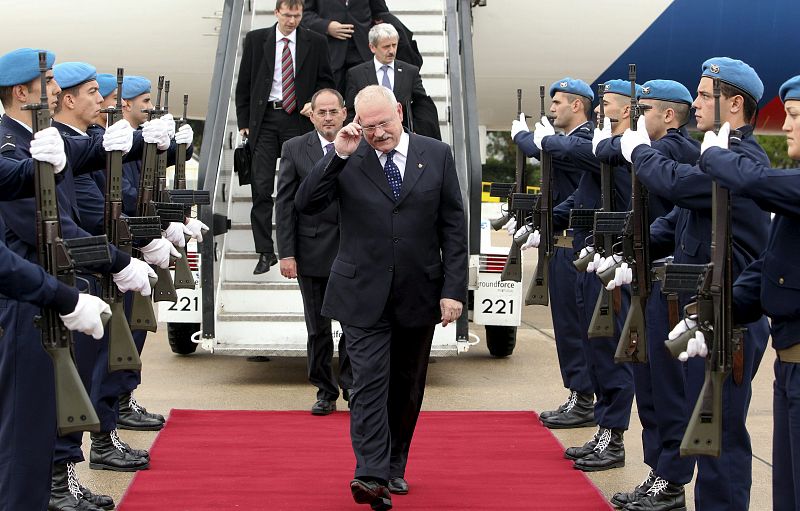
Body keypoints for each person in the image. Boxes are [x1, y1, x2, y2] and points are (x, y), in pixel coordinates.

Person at [295, 85, 467, 510]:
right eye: (368, 126)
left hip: (419, 292)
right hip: (361, 293)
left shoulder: (437, 155)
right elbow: (306, 203)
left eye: (384, 124)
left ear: (400, 114)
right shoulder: (348, 156)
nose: (377, 134)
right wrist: (336, 154)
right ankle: (369, 474)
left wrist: (452, 290)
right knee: (368, 382)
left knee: (407, 387)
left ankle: (394, 464)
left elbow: (453, 227)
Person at [0, 47, 155, 511]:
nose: (54, 93)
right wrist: (118, 262)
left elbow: (89, 151)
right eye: (46, 86)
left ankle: (53, 486)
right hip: (31, 301)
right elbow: (52, 230)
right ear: (19, 93)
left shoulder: (40, 139)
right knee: (26, 430)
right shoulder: (12, 144)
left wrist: (145, 140)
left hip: (54, 292)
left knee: (46, 416)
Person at [621, 57, 770, 511]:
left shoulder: (740, 160)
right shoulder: (719, 154)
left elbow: (682, 185)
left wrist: (640, 151)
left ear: (736, 103)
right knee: (694, 419)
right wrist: (630, 244)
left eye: (707, 95)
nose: (698, 102)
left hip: (730, 317)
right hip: (701, 311)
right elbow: (683, 217)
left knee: (719, 431)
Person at [695, 74, 800, 511]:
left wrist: (718, 158)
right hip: (791, 366)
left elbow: (757, 183)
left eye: (795, 116)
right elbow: (769, 269)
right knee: (788, 494)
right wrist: (710, 314)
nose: (787, 125)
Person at [594, 79, 699, 509]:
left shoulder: (676, 151)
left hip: (669, 286)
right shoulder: (655, 151)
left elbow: (662, 176)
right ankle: (659, 473)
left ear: (669, 116)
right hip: (646, 278)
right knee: (650, 385)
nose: (635, 118)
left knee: (668, 390)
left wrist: (633, 146)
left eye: (645, 109)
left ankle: (671, 479)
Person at [527, 79, 634, 472]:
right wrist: (546, 219)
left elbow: (579, 150)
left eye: (606, 105)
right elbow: (583, 197)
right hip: (593, 258)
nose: (599, 111)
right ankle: (605, 430)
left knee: (610, 354)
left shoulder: (620, 149)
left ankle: (614, 437)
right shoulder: (605, 149)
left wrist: (536, 141)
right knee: (593, 346)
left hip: (614, 263)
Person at [509, 77, 594, 430]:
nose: (553, 108)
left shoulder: (587, 140)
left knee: (579, 328)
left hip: (579, 244)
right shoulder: (566, 142)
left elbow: (553, 151)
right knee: (566, 326)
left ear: (577, 105)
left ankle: (585, 398)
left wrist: (527, 138)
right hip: (559, 241)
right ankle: (578, 394)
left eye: (558, 102)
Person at [235, 0, 335, 275]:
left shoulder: (315, 41)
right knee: (262, 187)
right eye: (288, 15)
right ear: (277, 12)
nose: (292, 20)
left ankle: (299, 246)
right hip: (265, 120)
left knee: (300, 186)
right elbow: (244, 83)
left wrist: (313, 102)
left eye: (297, 15)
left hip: (298, 119)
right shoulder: (257, 40)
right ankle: (266, 252)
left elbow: (327, 80)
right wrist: (244, 122)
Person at [275, 88, 353, 415]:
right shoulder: (294, 149)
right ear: (312, 115)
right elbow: (285, 204)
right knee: (318, 329)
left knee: (354, 326)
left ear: (344, 113)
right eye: (321, 112)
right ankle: (325, 390)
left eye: (333, 111)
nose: (328, 118)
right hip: (311, 252)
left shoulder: (360, 146)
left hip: (353, 252)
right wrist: (286, 253)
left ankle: (353, 385)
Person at [345, 23, 439, 140]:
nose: (391, 51)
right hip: (372, 139)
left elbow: (422, 105)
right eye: (386, 47)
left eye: (394, 45)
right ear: (372, 47)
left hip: (403, 137)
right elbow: (350, 111)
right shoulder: (356, 74)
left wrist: (418, 131)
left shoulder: (410, 71)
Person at [302, 0, 388, 93]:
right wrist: (327, 26)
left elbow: (380, 13)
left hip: (363, 52)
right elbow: (305, 14)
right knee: (332, 99)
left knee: (366, 98)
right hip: (331, 54)